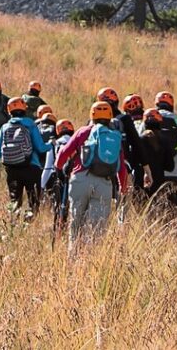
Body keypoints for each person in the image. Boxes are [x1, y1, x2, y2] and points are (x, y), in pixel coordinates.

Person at [56, 101, 124, 246]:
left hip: (80, 179)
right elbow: (121, 166)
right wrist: (122, 187)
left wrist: (59, 166)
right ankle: (91, 259)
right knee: (97, 227)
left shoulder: (83, 131)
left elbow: (63, 153)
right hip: (104, 183)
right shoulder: (114, 136)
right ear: (110, 115)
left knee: (76, 222)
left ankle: (73, 259)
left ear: (92, 115)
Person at [0, 95, 50, 214]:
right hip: (31, 167)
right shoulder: (30, 124)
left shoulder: (5, 127)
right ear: (24, 109)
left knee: (14, 202)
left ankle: (14, 224)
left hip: (12, 168)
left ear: (9, 110)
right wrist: (51, 144)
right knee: (33, 202)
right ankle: (29, 222)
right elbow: (40, 148)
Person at [97, 86, 144, 194]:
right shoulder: (124, 119)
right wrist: (144, 166)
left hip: (98, 165)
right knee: (123, 198)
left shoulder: (93, 123)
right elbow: (136, 144)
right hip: (123, 164)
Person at [137, 108, 172, 206]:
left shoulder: (139, 140)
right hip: (158, 182)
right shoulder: (165, 141)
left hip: (140, 182)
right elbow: (170, 166)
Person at [40, 117, 76, 213]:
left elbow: (47, 167)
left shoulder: (54, 144)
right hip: (74, 177)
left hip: (57, 178)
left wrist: (42, 186)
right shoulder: (77, 142)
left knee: (58, 206)